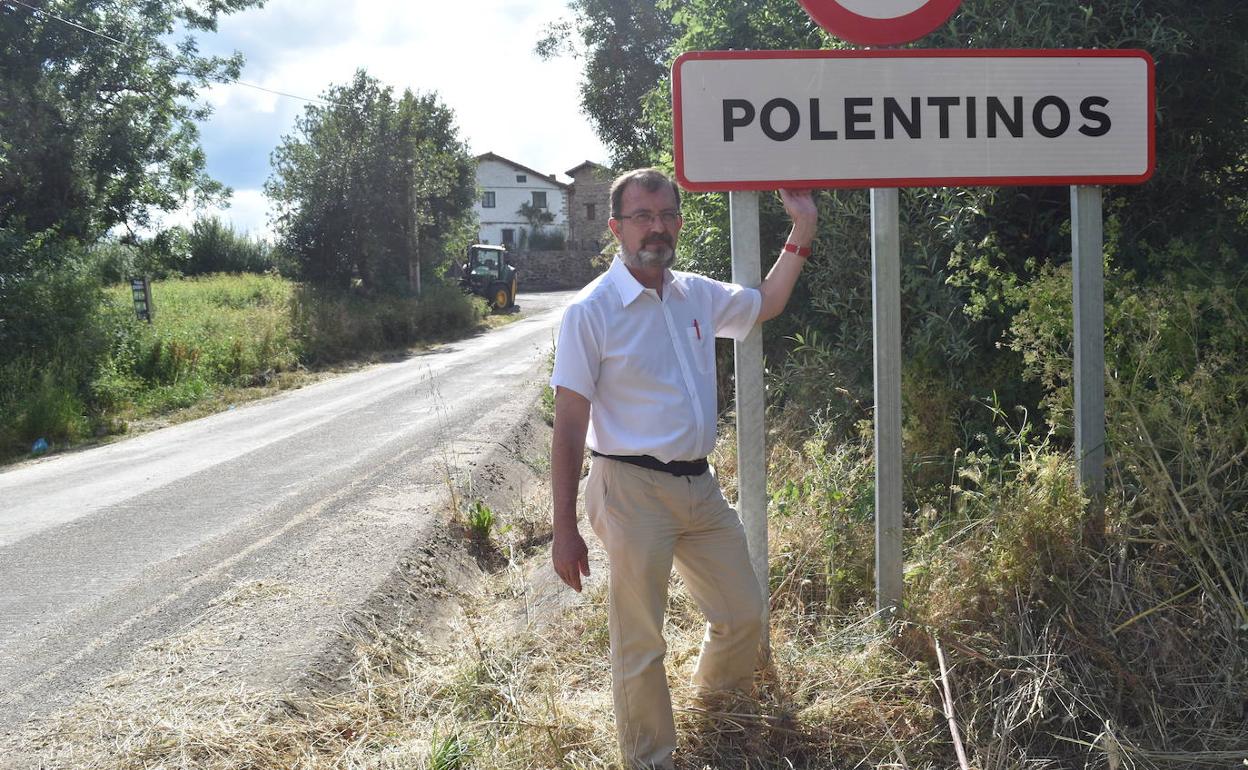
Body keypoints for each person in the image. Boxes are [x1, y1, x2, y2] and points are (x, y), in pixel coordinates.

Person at [549, 168, 817, 769]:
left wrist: (801, 228)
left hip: (699, 486)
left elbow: (767, 303)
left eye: (668, 214)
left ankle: (716, 719)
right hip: (629, 487)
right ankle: (652, 760)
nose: (658, 227)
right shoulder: (590, 312)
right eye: (643, 216)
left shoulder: (695, 293)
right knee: (641, 641)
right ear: (616, 228)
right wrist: (563, 527)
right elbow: (568, 428)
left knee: (742, 612)